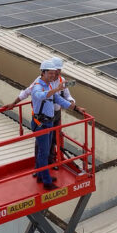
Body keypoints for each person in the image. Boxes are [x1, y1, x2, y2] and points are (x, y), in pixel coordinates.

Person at [31, 60, 85, 190]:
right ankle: (47, 181)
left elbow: (57, 98)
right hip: (41, 124)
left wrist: (75, 107)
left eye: (53, 73)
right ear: (42, 73)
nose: (52, 76)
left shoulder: (49, 85)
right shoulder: (38, 86)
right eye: (50, 73)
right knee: (44, 152)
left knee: (46, 149)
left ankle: (40, 174)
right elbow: (40, 95)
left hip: (48, 122)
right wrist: (56, 89)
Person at [50, 57, 76, 169]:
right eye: (56, 70)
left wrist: (71, 101)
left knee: (55, 139)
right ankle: (45, 164)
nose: (58, 72)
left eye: (59, 70)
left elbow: (67, 95)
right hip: (46, 115)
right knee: (45, 141)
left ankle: (53, 160)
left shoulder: (62, 80)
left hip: (56, 114)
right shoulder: (47, 81)